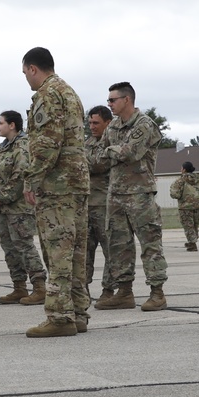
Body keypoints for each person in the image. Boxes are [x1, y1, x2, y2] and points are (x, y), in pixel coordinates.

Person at [20, 47, 91, 338]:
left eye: (25, 73)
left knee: (58, 251)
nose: (26, 79)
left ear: (33, 69)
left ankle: (60, 316)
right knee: (76, 252)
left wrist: (31, 179)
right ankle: (78, 312)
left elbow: (48, 143)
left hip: (57, 185)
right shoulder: (70, 92)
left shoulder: (47, 95)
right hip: (76, 182)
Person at [92, 82, 168, 312]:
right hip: (115, 194)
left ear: (127, 100)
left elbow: (131, 153)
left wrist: (111, 152)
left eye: (113, 100)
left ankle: (157, 293)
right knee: (118, 245)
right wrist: (114, 152)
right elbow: (96, 157)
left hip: (139, 194)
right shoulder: (113, 127)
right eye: (108, 100)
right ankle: (124, 292)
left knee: (150, 244)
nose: (109, 104)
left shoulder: (145, 125)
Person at [0, 110, 47, 305]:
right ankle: (19, 287)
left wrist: (2, 197)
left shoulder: (22, 146)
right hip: (3, 210)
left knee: (24, 246)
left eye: (1, 123)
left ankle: (39, 287)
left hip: (19, 208)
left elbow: (20, 176)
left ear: (12, 125)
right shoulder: (3, 149)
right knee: (10, 249)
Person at [84, 105, 113, 300]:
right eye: (90, 123)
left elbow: (98, 163)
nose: (92, 127)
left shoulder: (111, 142)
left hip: (105, 205)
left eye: (96, 123)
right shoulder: (87, 143)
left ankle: (109, 290)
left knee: (111, 251)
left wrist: (79, 161)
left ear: (107, 123)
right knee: (84, 252)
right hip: (86, 204)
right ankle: (81, 289)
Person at [169, 161, 199, 251]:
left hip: (185, 206)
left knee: (188, 225)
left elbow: (175, 194)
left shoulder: (181, 180)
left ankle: (192, 244)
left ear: (184, 169)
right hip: (198, 205)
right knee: (195, 224)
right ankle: (193, 240)